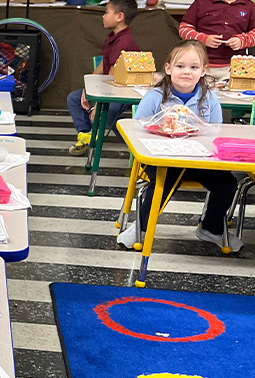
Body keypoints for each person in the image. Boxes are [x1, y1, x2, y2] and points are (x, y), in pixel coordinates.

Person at [119, 40, 242, 252]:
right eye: (180, 66)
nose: (187, 72)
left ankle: (211, 229)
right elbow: (135, 129)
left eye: (194, 67)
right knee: (165, 178)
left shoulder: (209, 99)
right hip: (162, 158)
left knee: (228, 184)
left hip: (200, 161)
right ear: (168, 68)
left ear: (203, 71)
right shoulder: (155, 96)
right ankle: (141, 227)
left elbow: (216, 132)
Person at [67, 0, 140, 156]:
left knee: (111, 110)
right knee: (74, 98)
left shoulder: (124, 41)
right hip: (109, 88)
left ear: (120, 16)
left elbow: (113, 78)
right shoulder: (112, 37)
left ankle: (132, 144)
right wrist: (87, 89)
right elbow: (103, 66)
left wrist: (98, 103)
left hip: (122, 91)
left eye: (107, 12)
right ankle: (86, 135)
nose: (103, 16)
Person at [178, 0, 255, 84]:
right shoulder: (201, 3)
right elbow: (184, 29)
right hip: (200, 66)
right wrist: (204, 39)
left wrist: (242, 41)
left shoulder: (249, 6)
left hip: (236, 68)